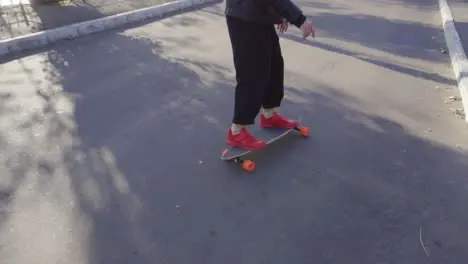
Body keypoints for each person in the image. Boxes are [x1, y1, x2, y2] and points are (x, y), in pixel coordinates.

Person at [225, 0, 315, 150]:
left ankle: (269, 115)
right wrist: (299, 19)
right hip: (244, 20)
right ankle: (236, 131)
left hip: (260, 16)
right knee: (251, 73)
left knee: (274, 66)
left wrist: (279, 14)